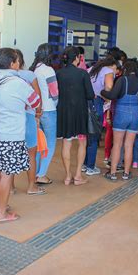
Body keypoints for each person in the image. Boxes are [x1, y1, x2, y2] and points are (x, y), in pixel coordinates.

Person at [0, 48, 42, 221]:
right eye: (18, 61)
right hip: (10, 135)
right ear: (11, 63)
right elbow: (36, 101)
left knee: (0, 172)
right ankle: (2, 213)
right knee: (7, 175)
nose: (20, 64)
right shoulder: (17, 82)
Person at [101, 61, 138, 181]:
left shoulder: (122, 80)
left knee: (117, 145)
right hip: (135, 114)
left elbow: (112, 95)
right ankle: (126, 173)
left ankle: (113, 173)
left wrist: (102, 91)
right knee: (129, 145)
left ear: (125, 69)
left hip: (121, 114)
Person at [56, 46, 95, 185]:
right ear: (77, 58)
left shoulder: (58, 73)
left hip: (64, 112)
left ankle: (67, 176)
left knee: (66, 143)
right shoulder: (83, 73)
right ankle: (78, 175)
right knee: (82, 143)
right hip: (80, 112)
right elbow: (90, 95)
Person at [12, 49, 45, 196]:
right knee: (31, 154)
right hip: (29, 117)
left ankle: (10, 187)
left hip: (13, 119)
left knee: (11, 153)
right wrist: (38, 113)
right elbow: (37, 96)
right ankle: (31, 186)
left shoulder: (4, 77)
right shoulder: (29, 75)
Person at [83, 57, 117, 175]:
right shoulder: (108, 71)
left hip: (85, 102)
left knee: (86, 136)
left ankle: (84, 164)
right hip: (96, 103)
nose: (116, 72)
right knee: (94, 135)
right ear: (112, 65)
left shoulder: (91, 69)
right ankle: (90, 167)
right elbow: (108, 88)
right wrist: (107, 98)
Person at [30, 43, 58, 185]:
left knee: (37, 143)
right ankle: (41, 174)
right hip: (48, 110)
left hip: (34, 111)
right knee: (50, 143)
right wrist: (55, 103)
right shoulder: (49, 70)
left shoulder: (33, 69)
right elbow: (54, 93)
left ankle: (34, 173)